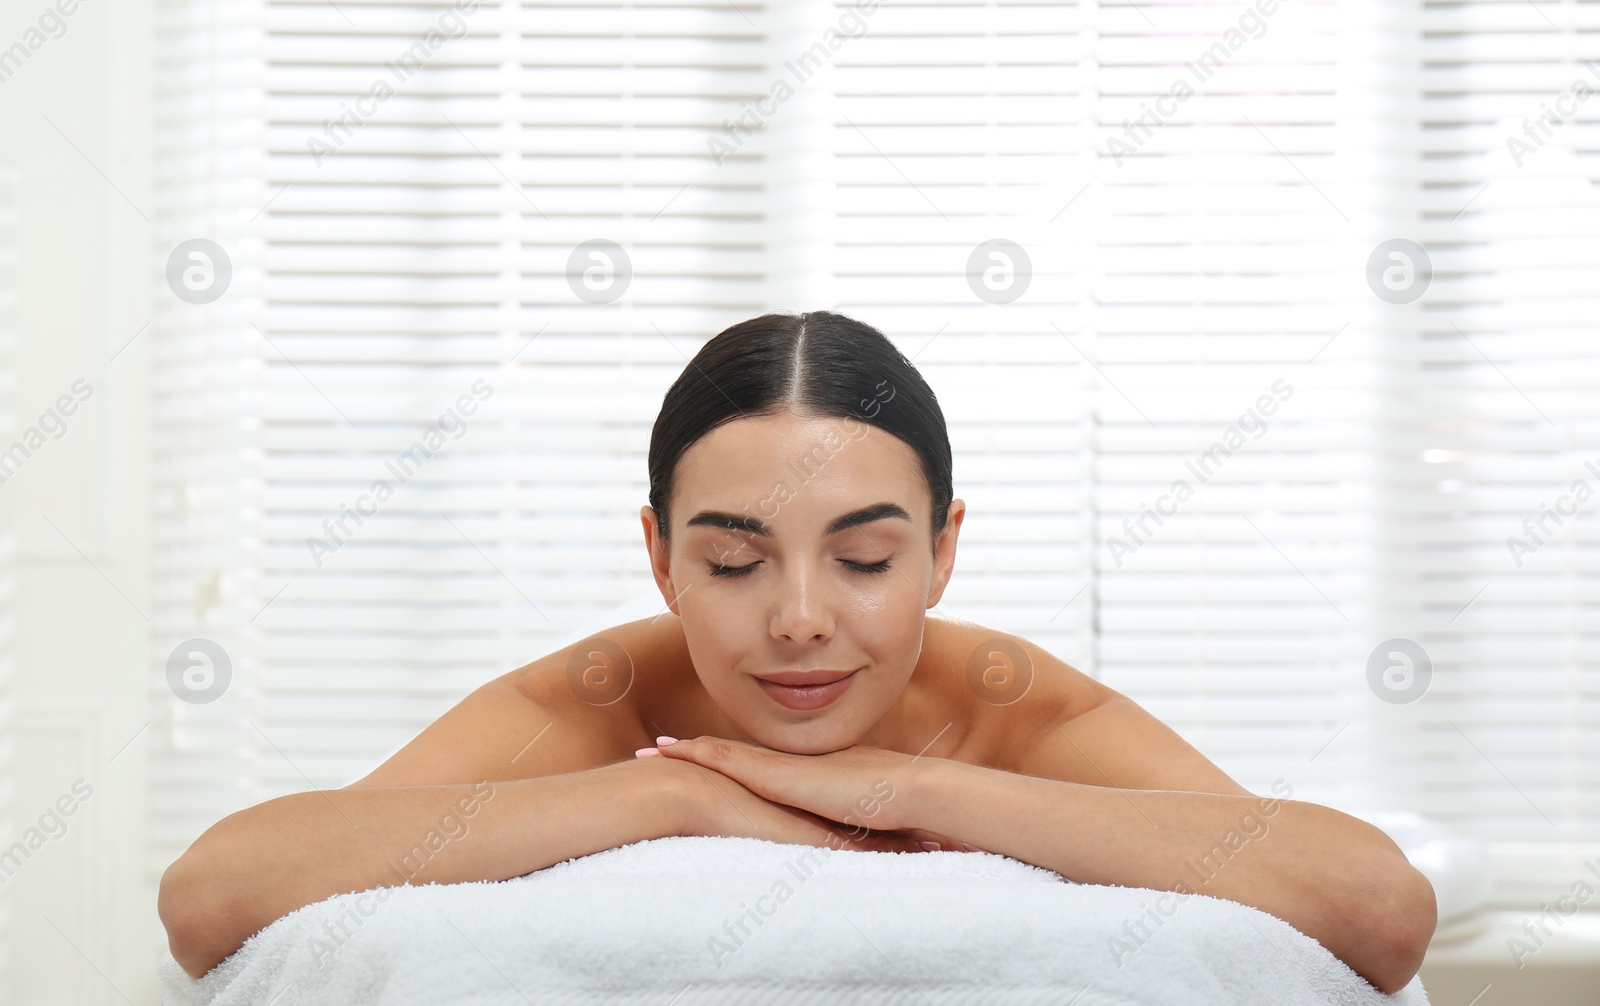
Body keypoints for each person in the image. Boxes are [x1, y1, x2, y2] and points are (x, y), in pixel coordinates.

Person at [158, 310, 1436, 992]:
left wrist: (917, 789)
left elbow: (1378, 909)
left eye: (868, 558)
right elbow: (214, 895)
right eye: (732, 559)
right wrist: (673, 791)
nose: (800, 616)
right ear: (659, 555)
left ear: (942, 551)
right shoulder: (598, 696)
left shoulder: (1010, 703)